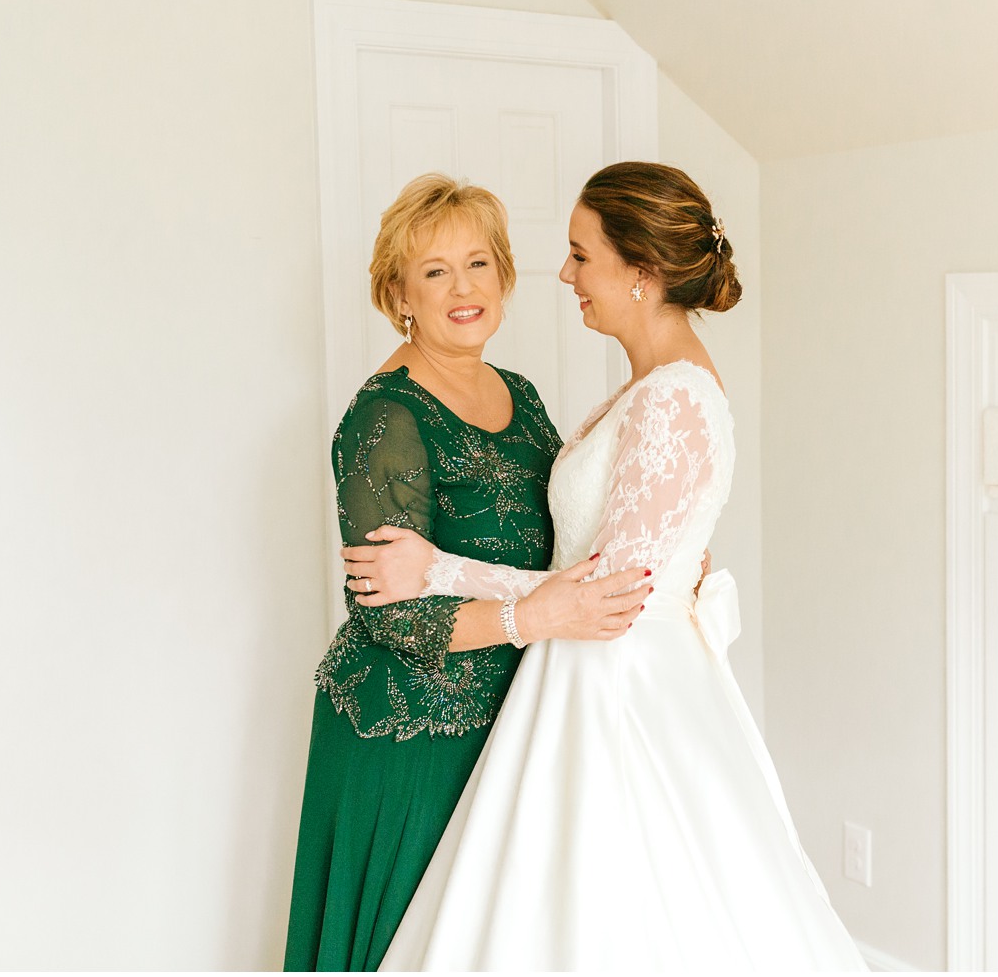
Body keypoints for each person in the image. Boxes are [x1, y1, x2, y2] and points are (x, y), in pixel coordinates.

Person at [341, 162, 868, 973]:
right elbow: (600, 558)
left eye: (582, 255)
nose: (565, 273)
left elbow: (602, 593)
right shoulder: (646, 390)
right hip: (561, 674)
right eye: (437, 269)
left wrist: (440, 566)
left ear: (642, 274)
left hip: (616, 680)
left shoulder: (669, 397)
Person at [284, 173, 652, 973]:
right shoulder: (384, 416)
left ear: (506, 277)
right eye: (436, 270)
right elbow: (387, 611)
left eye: (478, 263)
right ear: (399, 293)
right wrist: (537, 619)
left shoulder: (518, 393)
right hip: (411, 729)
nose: (464, 288)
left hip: (512, 713)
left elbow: (557, 536)